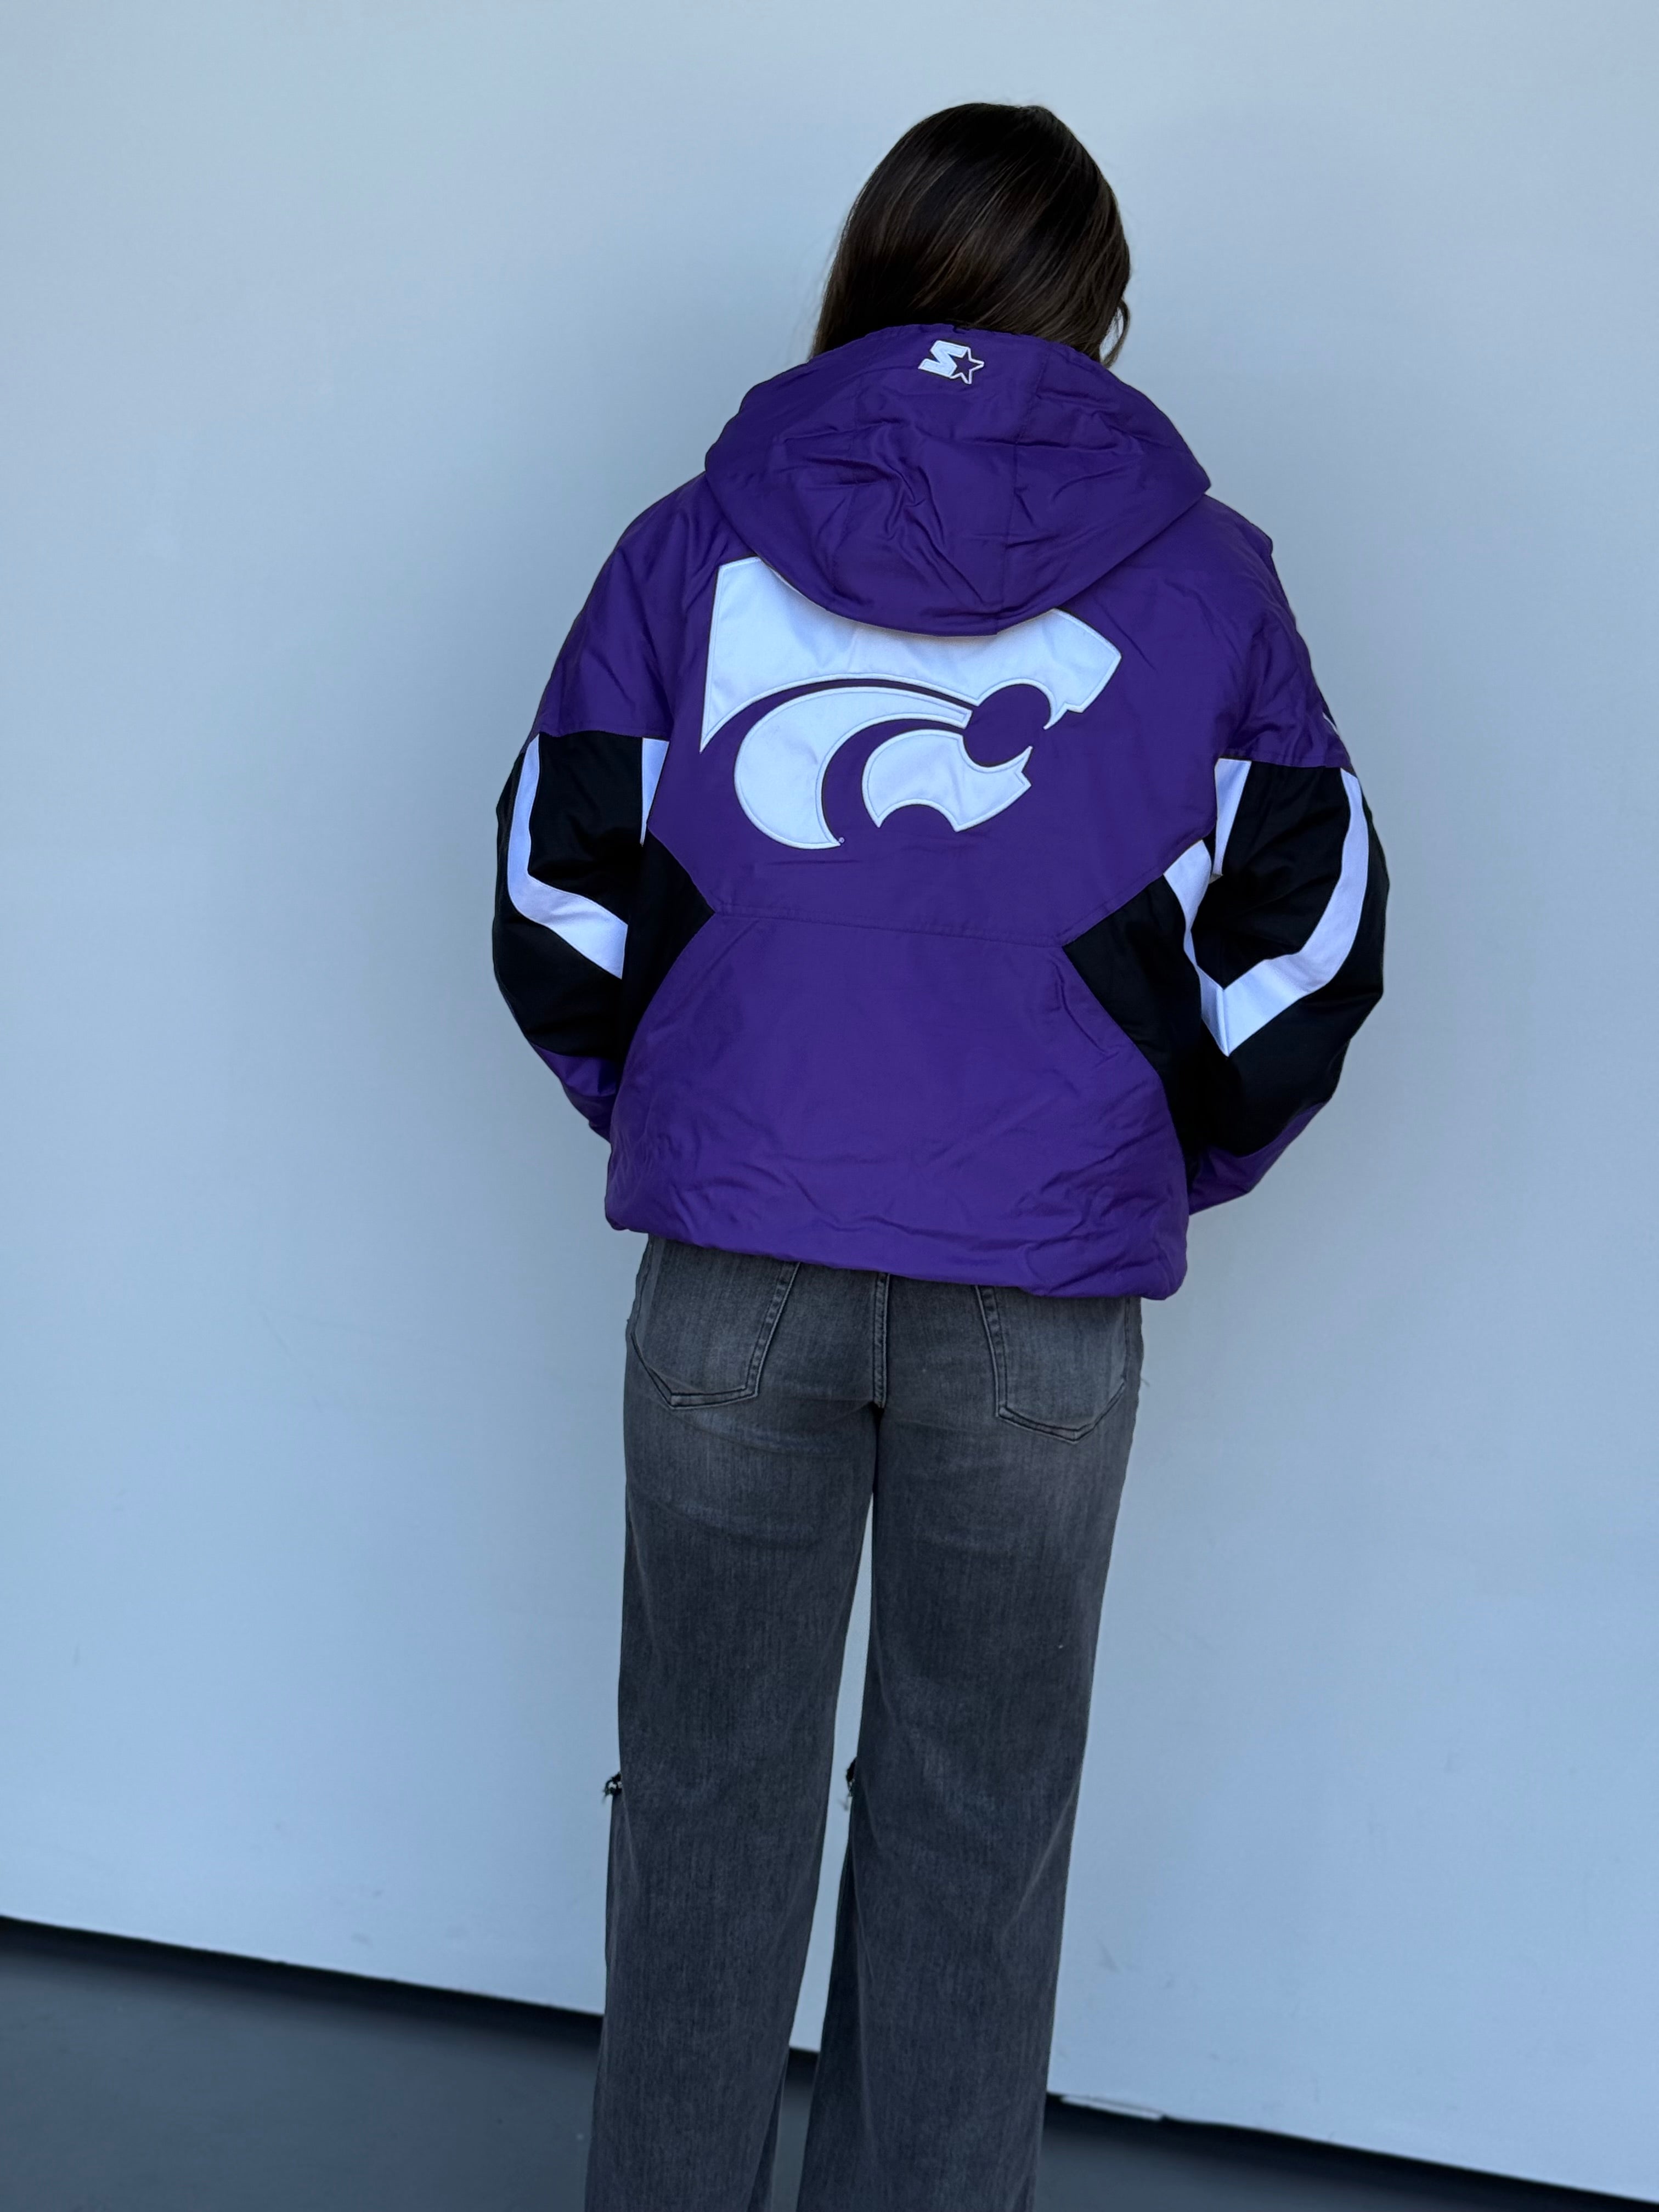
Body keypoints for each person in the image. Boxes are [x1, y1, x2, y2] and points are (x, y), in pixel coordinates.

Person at [493, 100, 1386, 2212]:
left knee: (701, 1798)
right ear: (1097, 307)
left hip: (736, 1270)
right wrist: (1146, 1154)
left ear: (871, 270)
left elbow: (554, 892)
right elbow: (1312, 940)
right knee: (981, 1821)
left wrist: (684, 1109)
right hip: (1041, 1297)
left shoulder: (691, 544)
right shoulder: (1209, 579)